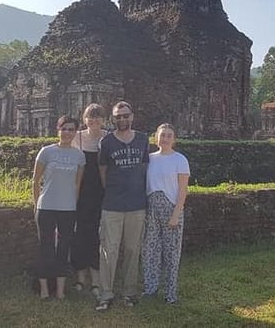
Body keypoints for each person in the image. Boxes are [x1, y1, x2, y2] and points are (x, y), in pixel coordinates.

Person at [95, 101, 149, 310]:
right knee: (109, 249)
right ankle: (106, 293)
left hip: (137, 203)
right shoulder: (106, 142)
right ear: (113, 118)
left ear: (132, 116)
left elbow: (144, 168)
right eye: (118, 116)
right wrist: (112, 191)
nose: (122, 119)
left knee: (132, 249)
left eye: (125, 115)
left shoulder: (143, 140)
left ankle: (129, 291)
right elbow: (102, 171)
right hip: (113, 204)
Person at [32, 115, 86, 300]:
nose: (67, 132)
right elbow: (36, 181)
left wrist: (74, 206)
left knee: (63, 248)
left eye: (71, 129)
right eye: (64, 129)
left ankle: (61, 290)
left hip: (68, 209)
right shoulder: (46, 152)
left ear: (76, 132)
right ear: (58, 130)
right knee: (45, 247)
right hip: (46, 206)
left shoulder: (79, 156)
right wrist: (36, 205)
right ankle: (45, 290)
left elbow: (77, 185)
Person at [141, 123, 190, 304]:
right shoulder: (149, 159)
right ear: (156, 138)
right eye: (162, 135)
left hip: (171, 208)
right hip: (151, 207)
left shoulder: (180, 160)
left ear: (174, 139)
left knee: (171, 252)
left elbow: (183, 190)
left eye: (169, 135)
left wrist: (176, 214)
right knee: (150, 250)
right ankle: (150, 287)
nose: (165, 139)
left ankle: (170, 293)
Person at [70, 103, 107, 299]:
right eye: (89, 117)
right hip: (80, 193)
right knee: (80, 235)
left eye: (97, 117)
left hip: (101, 193)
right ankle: (80, 276)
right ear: (84, 119)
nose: (93, 120)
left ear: (103, 119)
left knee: (97, 236)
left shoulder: (108, 138)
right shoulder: (77, 138)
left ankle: (96, 278)